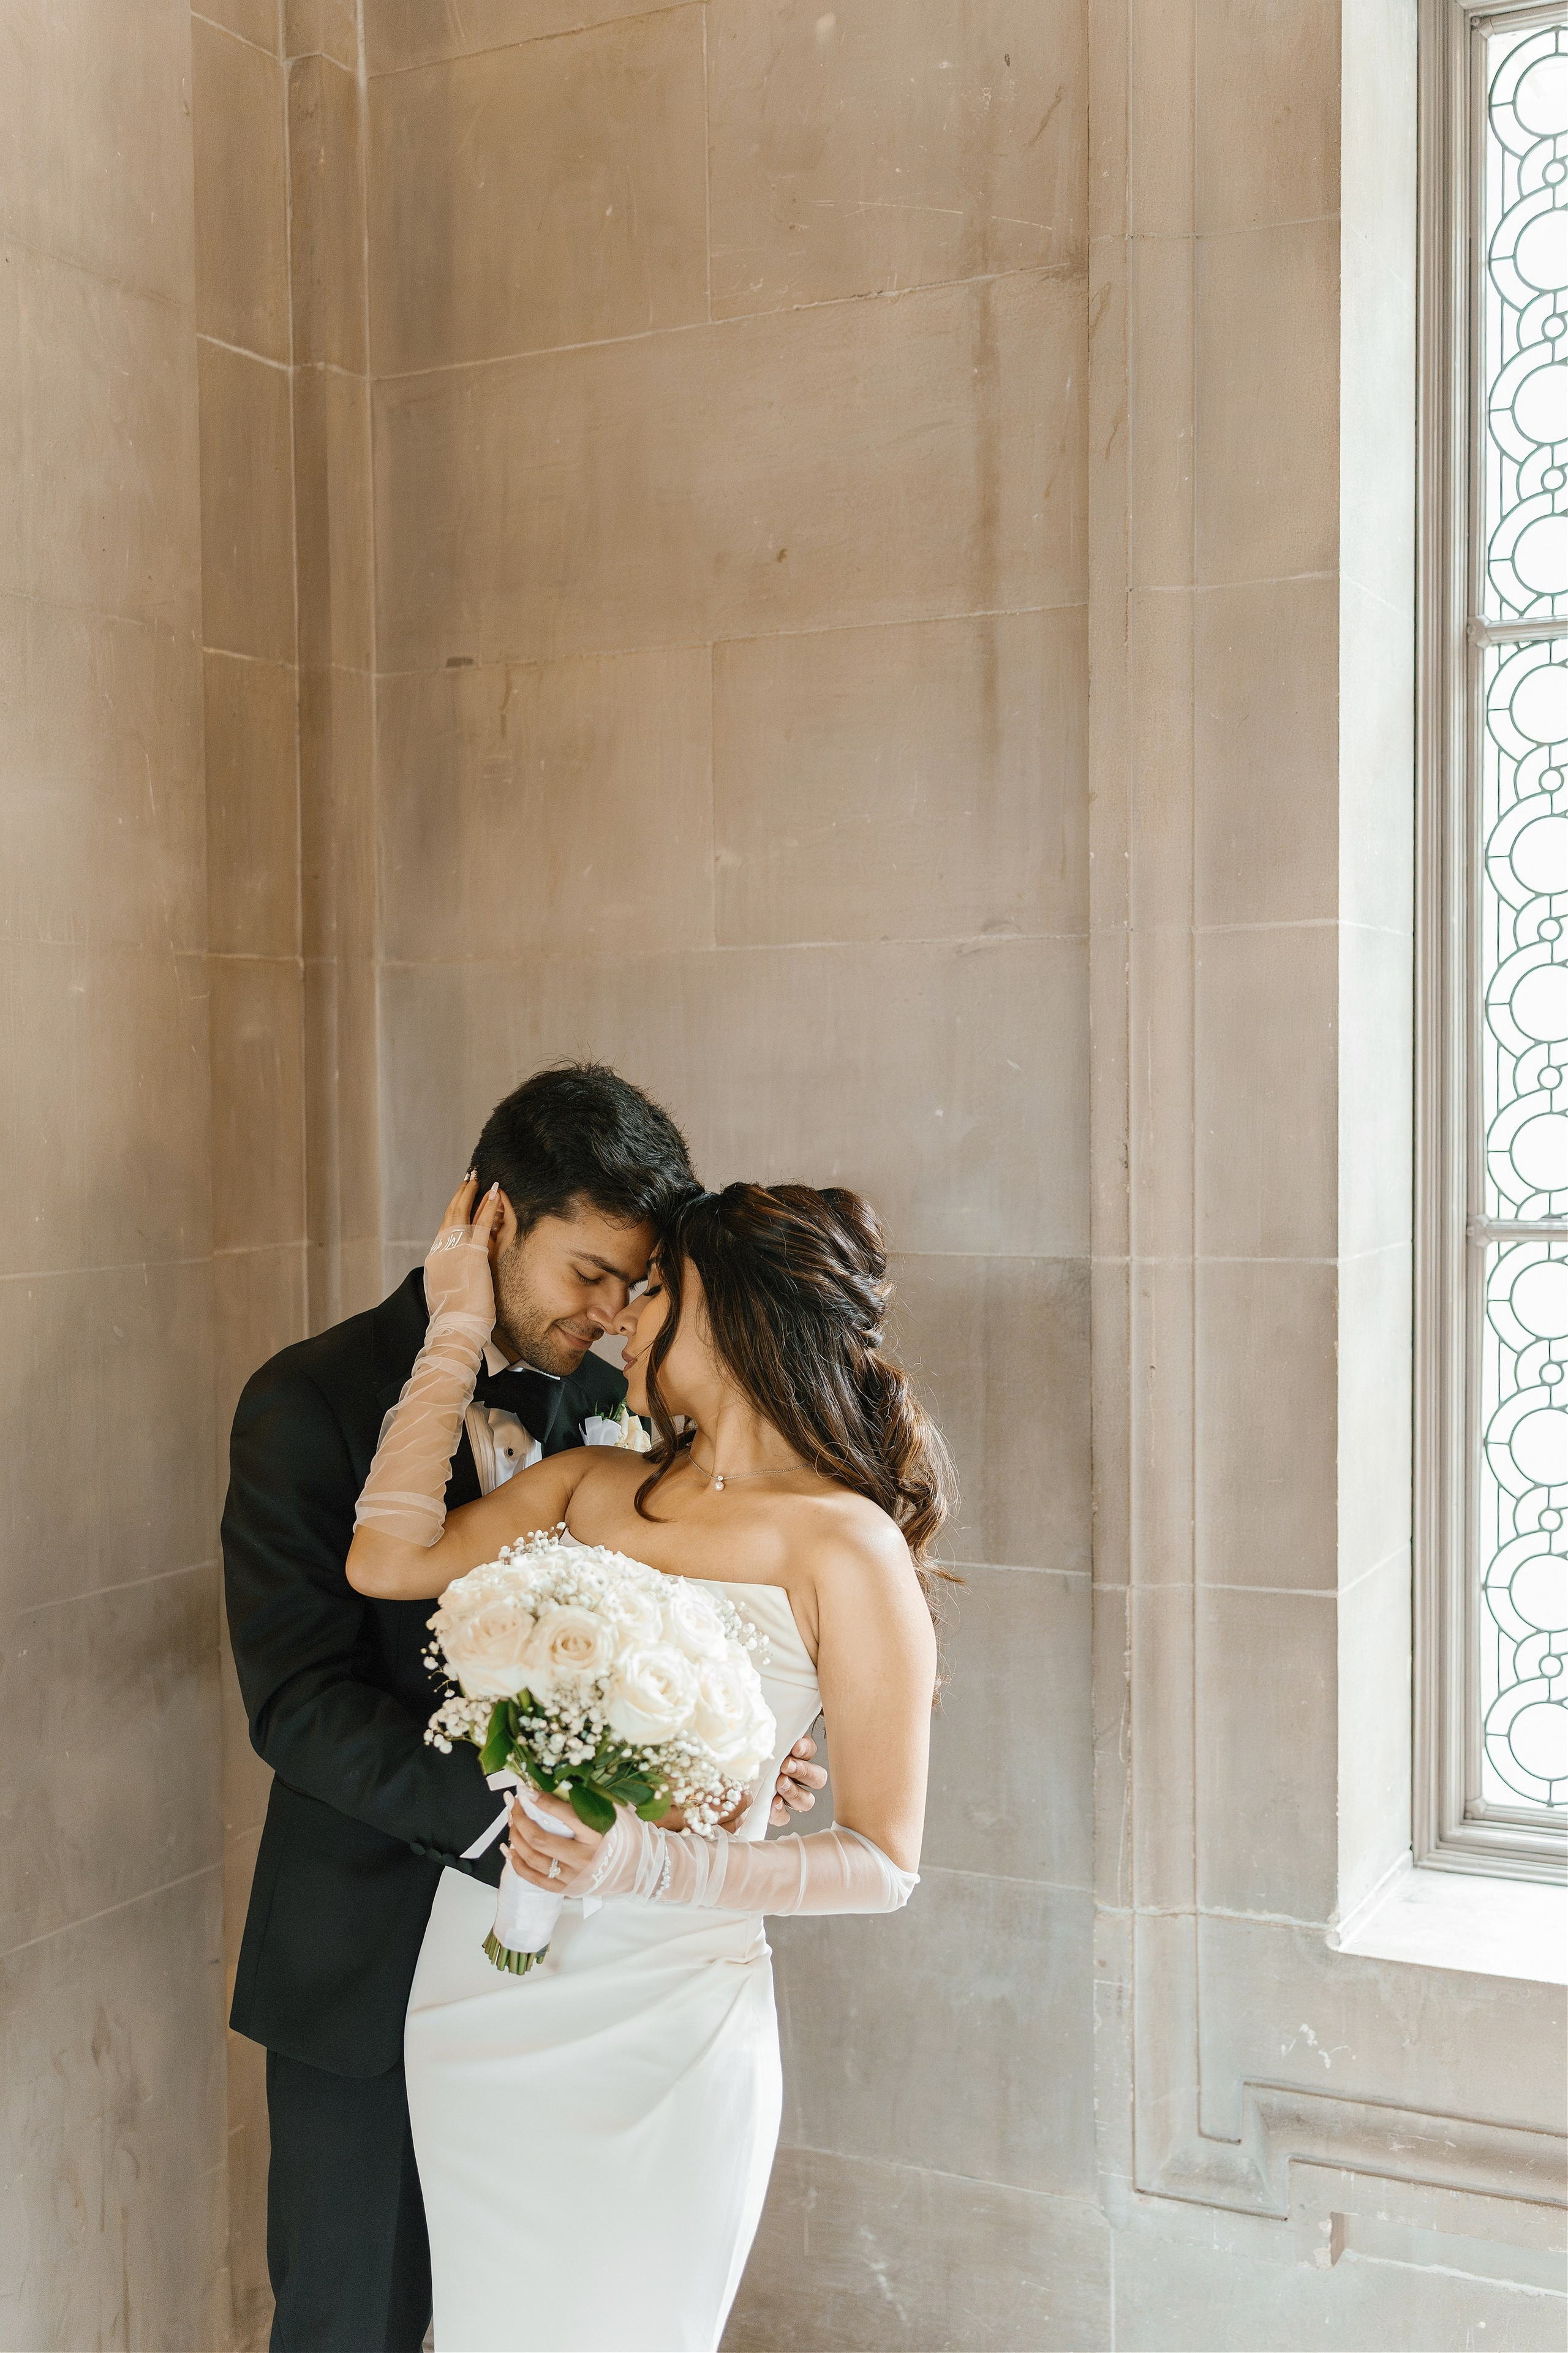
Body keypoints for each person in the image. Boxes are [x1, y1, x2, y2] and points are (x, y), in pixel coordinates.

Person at [222, 1065, 825, 2353]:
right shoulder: (306, 1399)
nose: (609, 1315)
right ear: (493, 1218)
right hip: (367, 1963)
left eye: (634, 1284)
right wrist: (521, 1813)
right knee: (354, 2326)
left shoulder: (612, 1418)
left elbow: (669, 1632)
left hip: (575, 1982)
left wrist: (724, 1748)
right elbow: (298, 1703)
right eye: (589, 1273)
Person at [345, 1172, 956, 2353]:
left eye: (653, 1287)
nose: (618, 1314)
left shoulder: (848, 1544)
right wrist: (456, 1328)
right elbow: (386, 1557)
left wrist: (643, 1860)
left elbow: (884, 1860)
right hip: (482, 1990)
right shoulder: (594, 1483)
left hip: (669, 2022)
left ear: (725, 1309)